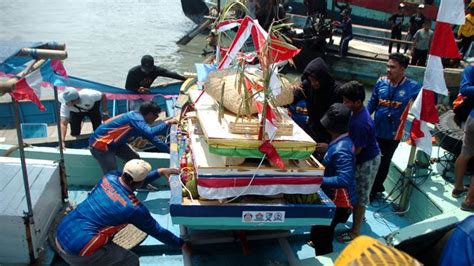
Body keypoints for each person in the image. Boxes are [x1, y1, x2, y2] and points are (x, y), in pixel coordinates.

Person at [55, 159, 191, 265]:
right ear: (139, 183)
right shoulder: (133, 209)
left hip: (60, 235)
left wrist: (159, 172)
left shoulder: (109, 177)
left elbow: (133, 182)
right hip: (76, 253)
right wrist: (182, 244)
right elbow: (158, 231)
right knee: (130, 260)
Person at [367, 53, 421, 201]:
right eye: (387, 66)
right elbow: (371, 104)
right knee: (369, 160)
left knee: (383, 162)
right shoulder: (381, 82)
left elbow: (429, 100)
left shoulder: (413, 87)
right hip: (375, 130)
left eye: (392, 67)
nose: (388, 69)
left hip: (393, 134)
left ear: (402, 69)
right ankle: (366, 186)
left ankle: (375, 189)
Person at [336, 81, 381, 243]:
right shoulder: (354, 113)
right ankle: (358, 216)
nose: (344, 104)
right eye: (343, 100)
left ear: (358, 102)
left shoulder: (361, 123)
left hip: (367, 160)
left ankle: (355, 231)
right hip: (361, 155)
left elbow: (357, 151)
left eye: (347, 101)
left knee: (361, 196)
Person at [309, 103, 356, 255]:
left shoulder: (342, 150)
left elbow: (344, 180)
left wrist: (317, 180)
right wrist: (328, 147)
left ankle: (324, 254)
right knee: (319, 228)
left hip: (338, 201)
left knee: (323, 234)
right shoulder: (340, 142)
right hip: (331, 196)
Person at [89, 101, 177, 174]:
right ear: (150, 114)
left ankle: (140, 183)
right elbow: (150, 132)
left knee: (135, 159)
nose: (157, 118)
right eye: (156, 116)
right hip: (101, 145)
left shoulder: (139, 123)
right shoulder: (135, 119)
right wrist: (167, 123)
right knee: (112, 172)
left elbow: (154, 139)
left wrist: (170, 151)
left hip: (116, 143)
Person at [291, 58, 341, 146]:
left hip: (327, 134)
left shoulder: (337, 91)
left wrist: (330, 145)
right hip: (312, 127)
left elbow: (340, 122)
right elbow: (293, 98)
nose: (314, 83)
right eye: (311, 80)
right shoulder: (308, 85)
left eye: (316, 80)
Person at [451, 64, 474, 212]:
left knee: (465, 153)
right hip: (470, 117)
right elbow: (464, 89)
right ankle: (470, 201)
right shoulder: (471, 69)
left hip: (472, 117)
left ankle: (458, 188)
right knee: (465, 153)